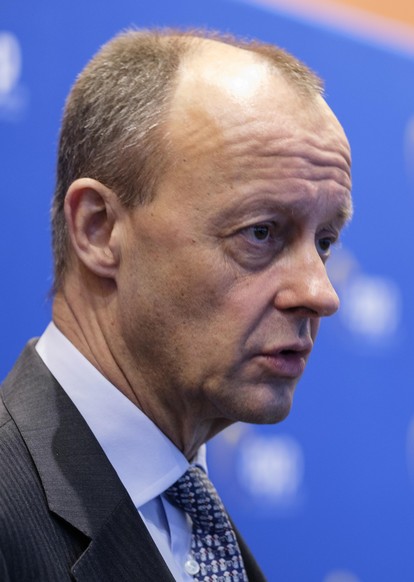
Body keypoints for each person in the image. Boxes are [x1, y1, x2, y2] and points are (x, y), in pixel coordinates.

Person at [0, 28, 352, 580]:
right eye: (261, 232)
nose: (320, 293)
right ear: (98, 230)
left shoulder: (193, 518)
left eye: (325, 242)